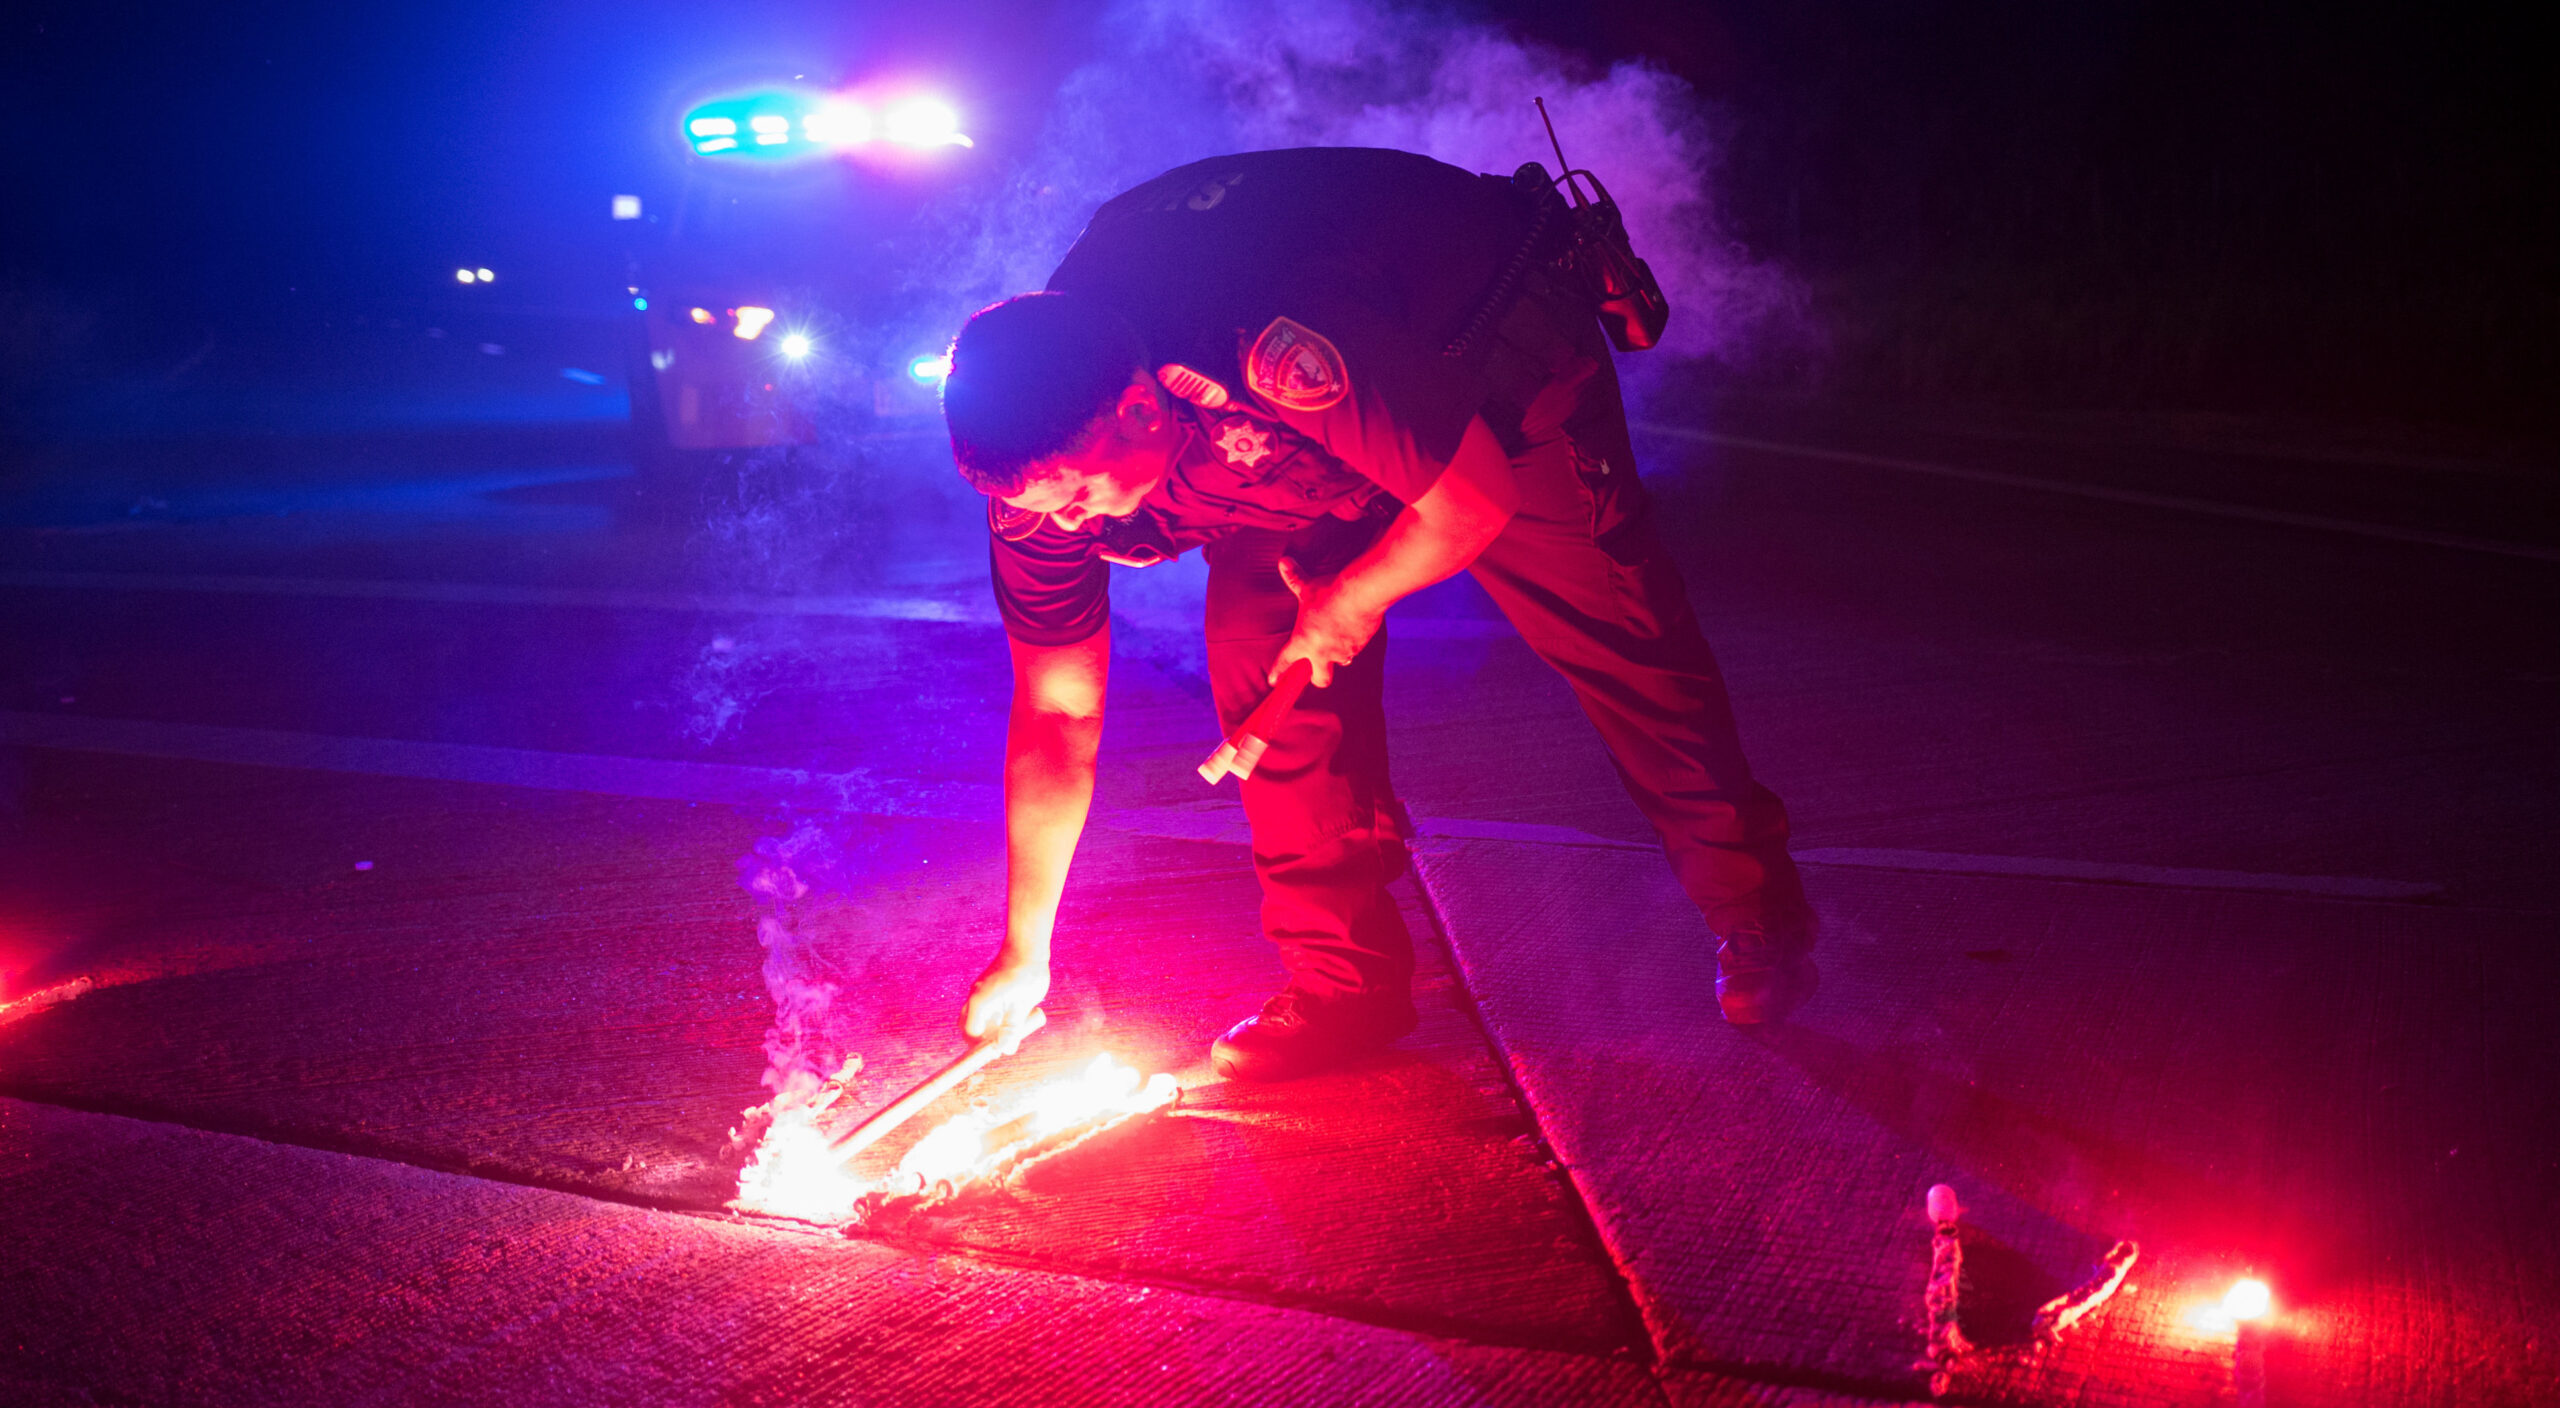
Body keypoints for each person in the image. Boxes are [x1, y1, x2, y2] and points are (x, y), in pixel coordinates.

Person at [940, 147, 1811, 1082]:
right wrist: (1023, 952)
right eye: (1038, 508)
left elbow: (1470, 503)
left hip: (1484, 379)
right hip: (1284, 459)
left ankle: (1752, 909)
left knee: (1616, 633)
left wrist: (1351, 599)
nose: (1062, 524)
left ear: (1139, 410)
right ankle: (1342, 986)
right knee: (1265, 671)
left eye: (1075, 495)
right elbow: (1059, 714)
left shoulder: (1267, 344)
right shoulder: (1038, 478)